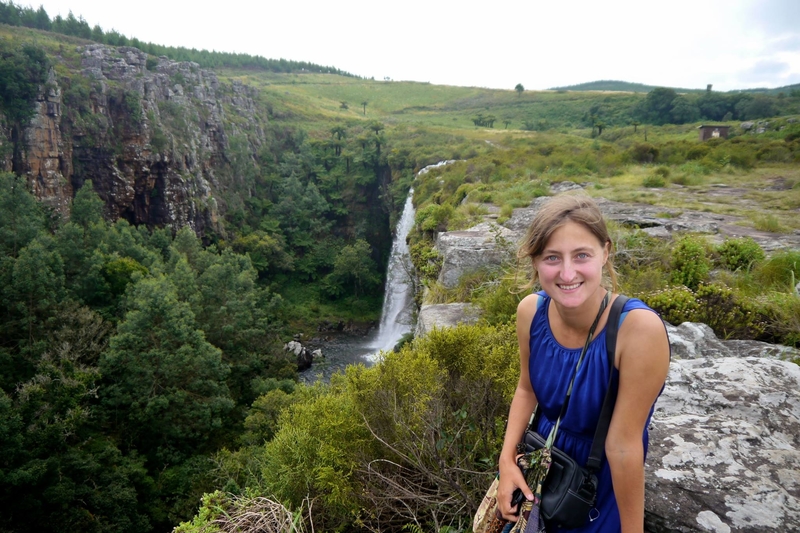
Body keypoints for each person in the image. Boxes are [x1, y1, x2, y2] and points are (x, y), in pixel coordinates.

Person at [496, 195, 670, 533]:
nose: (567, 272)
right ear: (535, 262)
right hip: (541, 468)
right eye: (551, 257)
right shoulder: (530, 312)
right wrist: (507, 463)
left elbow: (623, 445)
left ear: (605, 252)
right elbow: (526, 388)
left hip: (598, 485)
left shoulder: (637, 331)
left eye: (581, 255)